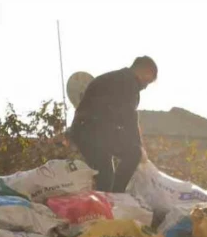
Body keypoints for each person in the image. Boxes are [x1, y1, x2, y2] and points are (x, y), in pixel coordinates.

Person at [67, 56, 158, 192]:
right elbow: (129, 117)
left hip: (89, 130)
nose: (145, 87)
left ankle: (110, 197)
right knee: (128, 156)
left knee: (105, 172)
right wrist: (138, 146)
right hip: (92, 130)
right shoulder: (128, 82)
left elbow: (124, 116)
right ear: (146, 71)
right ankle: (115, 197)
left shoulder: (115, 78)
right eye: (148, 81)